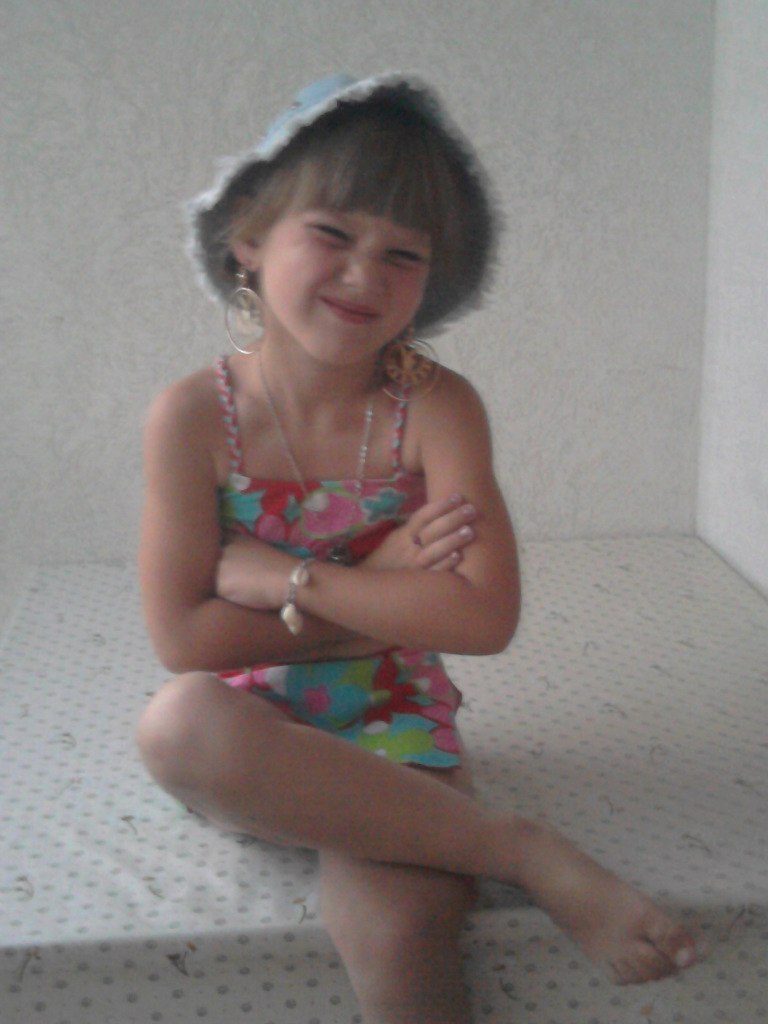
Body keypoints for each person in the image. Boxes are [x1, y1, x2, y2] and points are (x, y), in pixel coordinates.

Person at [136, 73, 697, 1023]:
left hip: (391, 709)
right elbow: (186, 641)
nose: (366, 275)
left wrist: (291, 579)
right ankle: (522, 849)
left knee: (401, 927)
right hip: (246, 727)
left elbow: (484, 619)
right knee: (176, 723)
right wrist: (383, 590)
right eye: (333, 233)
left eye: (403, 253)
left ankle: (486, 848)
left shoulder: (437, 406)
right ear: (249, 240)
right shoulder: (191, 416)